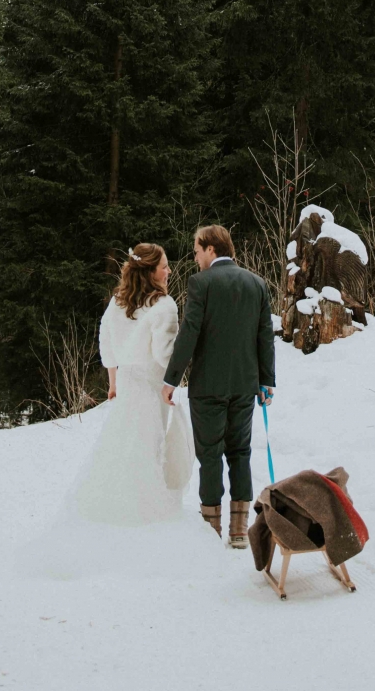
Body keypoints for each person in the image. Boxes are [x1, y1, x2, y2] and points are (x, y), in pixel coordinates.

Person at [162, 225, 275, 549]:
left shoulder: (202, 283)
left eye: (197, 251)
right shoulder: (257, 284)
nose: (195, 257)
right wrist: (266, 381)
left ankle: (211, 532)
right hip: (244, 385)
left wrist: (172, 379)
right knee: (240, 452)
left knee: (210, 454)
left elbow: (189, 334)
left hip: (208, 386)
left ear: (211, 249)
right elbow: (264, 337)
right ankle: (239, 531)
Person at [66, 243, 194, 526]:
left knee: (122, 445)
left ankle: (113, 508)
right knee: (150, 447)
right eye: (164, 267)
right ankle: (147, 514)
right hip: (151, 386)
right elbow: (163, 355)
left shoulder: (117, 302)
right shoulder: (165, 306)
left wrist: (113, 384)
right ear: (151, 272)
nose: (169, 271)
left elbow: (107, 344)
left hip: (126, 383)